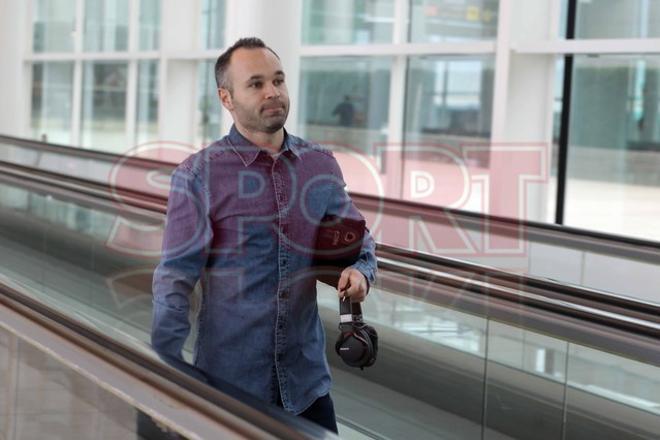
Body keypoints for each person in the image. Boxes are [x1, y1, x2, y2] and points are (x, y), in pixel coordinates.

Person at [151, 37, 377, 434]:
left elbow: (359, 241)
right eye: (256, 84)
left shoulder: (319, 165)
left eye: (278, 80)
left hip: (305, 384)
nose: (273, 91)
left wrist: (361, 272)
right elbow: (174, 278)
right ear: (227, 98)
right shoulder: (198, 176)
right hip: (229, 385)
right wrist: (162, 369)